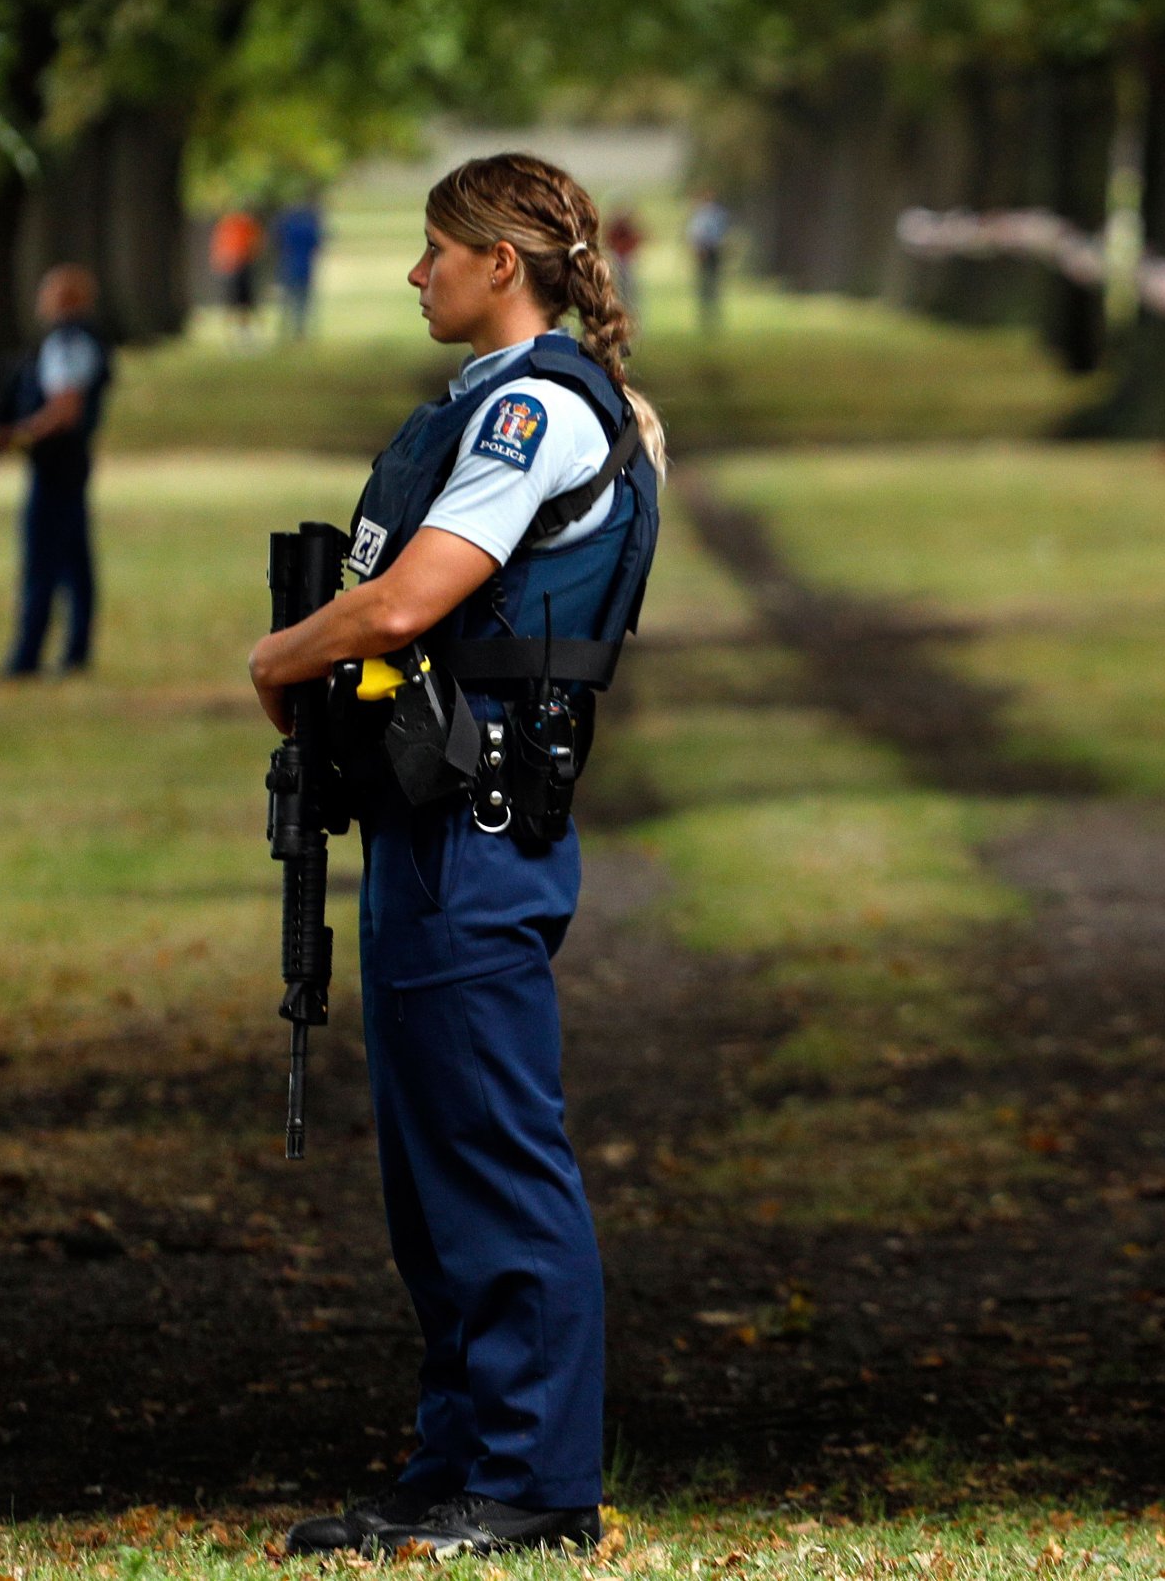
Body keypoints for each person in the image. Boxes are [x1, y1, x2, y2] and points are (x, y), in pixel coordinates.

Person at [248, 153, 666, 1560]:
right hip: (435, 820)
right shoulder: (511, 398)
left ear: (504, 261)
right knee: (432, 1172)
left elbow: (417, 596)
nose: (417, 272)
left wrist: (279, 654)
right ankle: (458, 1463)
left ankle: (538, 1478)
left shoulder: (535, 407)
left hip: (477, 832)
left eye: (436, 248)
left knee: (492, 1155)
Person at [0, 264, 111, 680]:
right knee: (75, 560)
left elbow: (65, 408)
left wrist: (20, 435)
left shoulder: (65, 343)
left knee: (41, 562)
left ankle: (27, 657)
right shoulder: (88, 340)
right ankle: (76, 651)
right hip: (74, 464)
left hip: (55, 463)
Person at [273, 197, 326, 342]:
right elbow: (317, 245)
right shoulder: (310, 227)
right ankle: (300, 334)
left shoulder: (287, 226)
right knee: (303, 303)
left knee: (287, 302)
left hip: (288, 267)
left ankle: (284, 333)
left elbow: (278, 243)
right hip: (305, 268)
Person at [209, 207, 263, 344]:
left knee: (243, 302)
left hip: (243, 266)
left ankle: (242, 333)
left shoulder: (245, 225)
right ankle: (230, 336)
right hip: (232, 268)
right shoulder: (228, 226)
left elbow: (255, 245)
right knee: (233, 302)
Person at [685, 191, 730, 334]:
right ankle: (707, 311)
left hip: (712, 249)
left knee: (712, 282)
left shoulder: (709, 214)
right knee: (706, 282)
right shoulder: (703, 213)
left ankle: (711, 311)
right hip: (706, 250)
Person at [604, 206, 643, 322]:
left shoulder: (626, 228)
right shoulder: (616, 228)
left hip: (627, 262)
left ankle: (629, 319)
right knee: (620, 293)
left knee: (629, 294)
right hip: (618, 261)